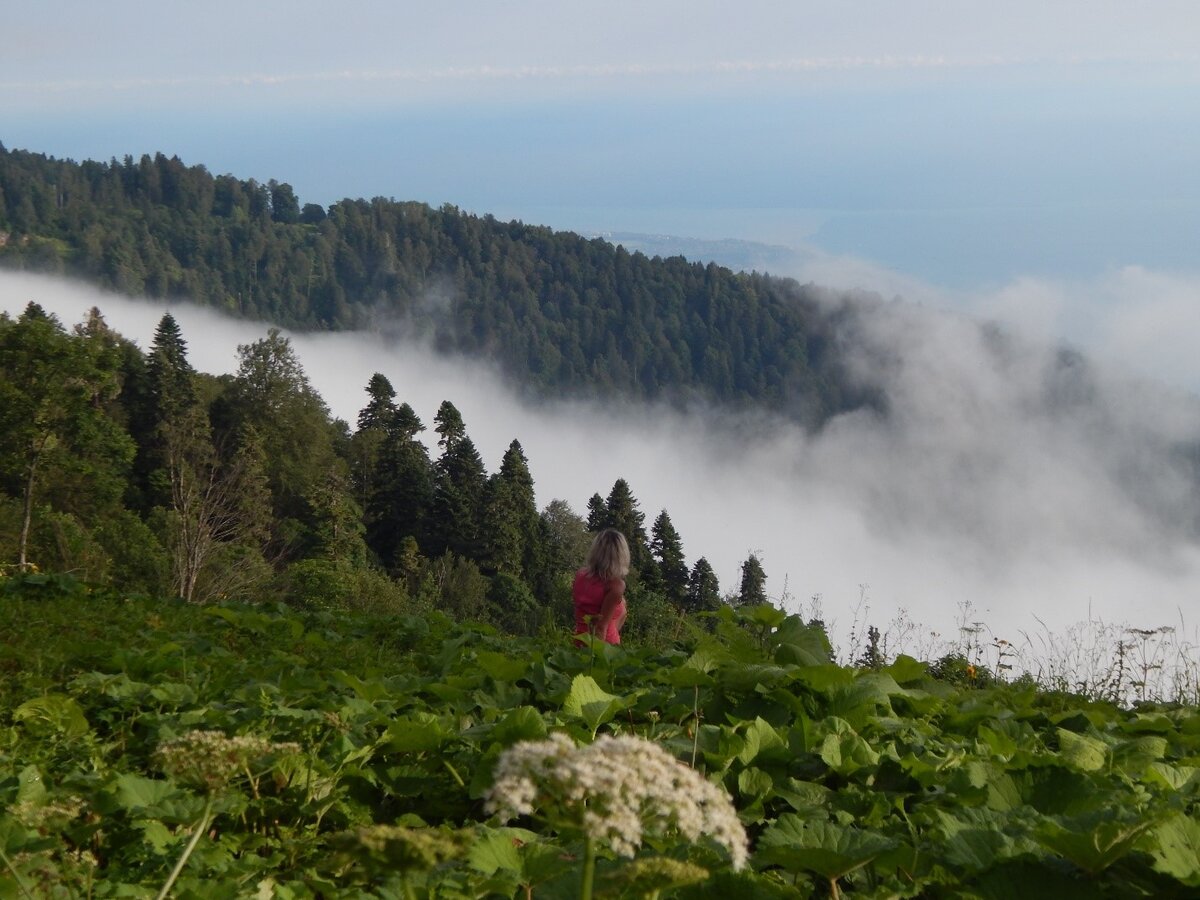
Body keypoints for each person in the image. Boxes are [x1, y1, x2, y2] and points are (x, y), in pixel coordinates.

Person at [573, 528, 629, 645]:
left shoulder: (580, 575)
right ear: (621, 555)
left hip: (579, 639)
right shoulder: (615, 585)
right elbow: (600, 628)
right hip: (602, 646)